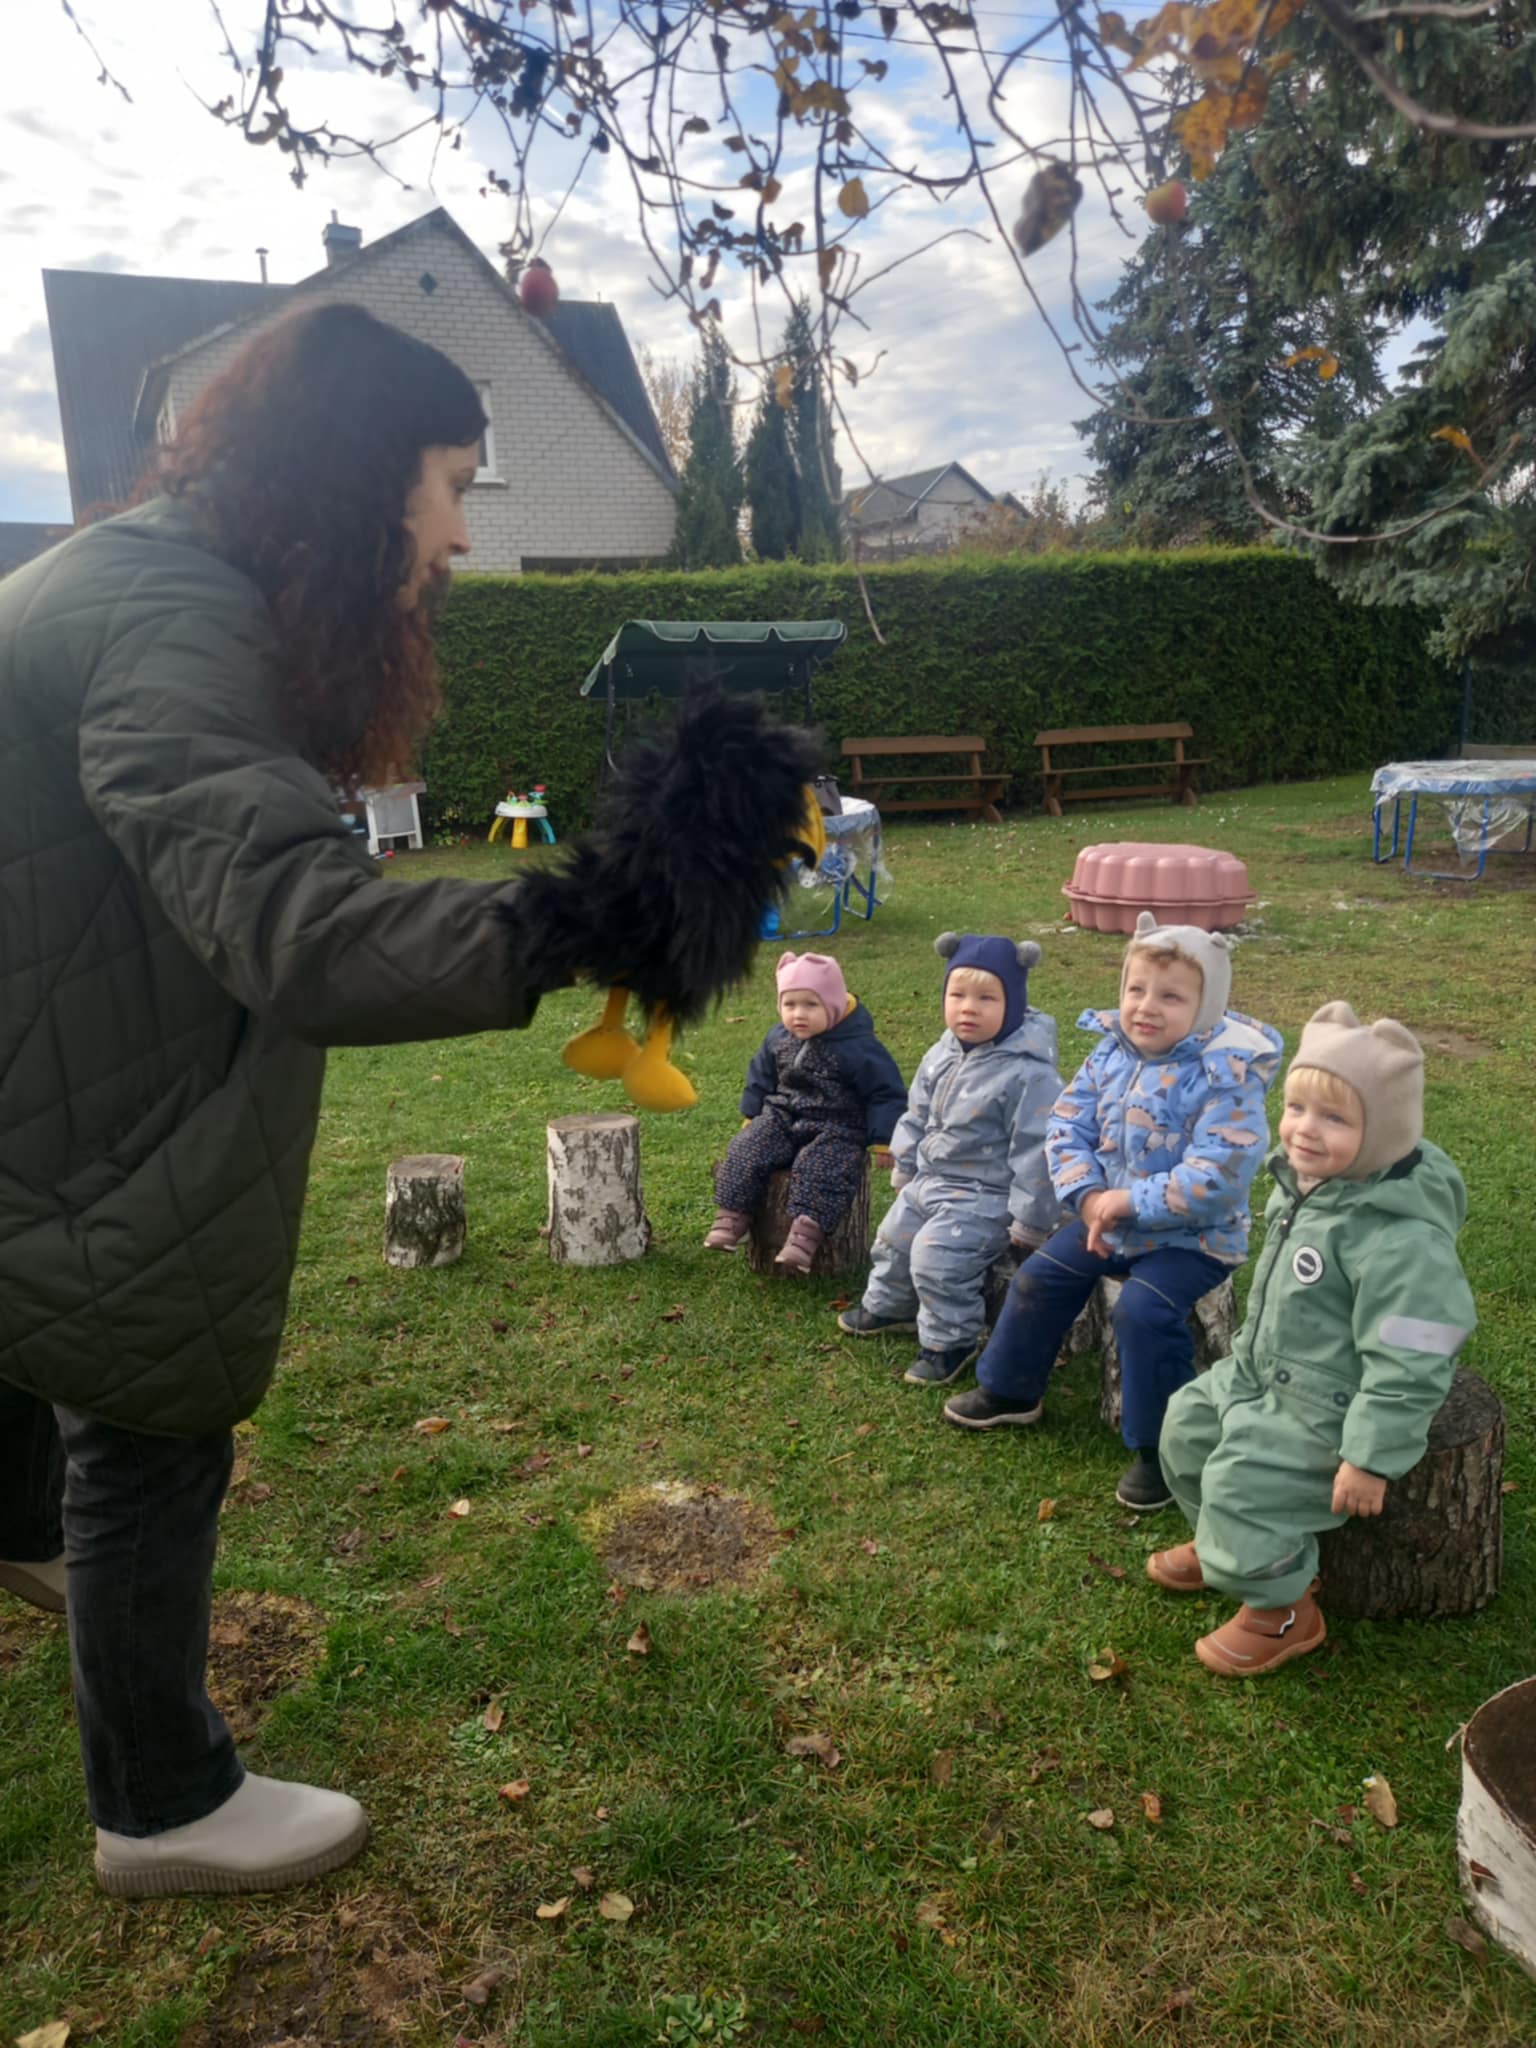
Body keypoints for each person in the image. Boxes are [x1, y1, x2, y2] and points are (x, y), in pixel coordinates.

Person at [0, 303, 817, 1900]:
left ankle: (18, 1527)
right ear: (352, 472)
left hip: (43, 1042)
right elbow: (300, 931)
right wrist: (582, 920)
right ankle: (159, 1806)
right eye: (445, 479)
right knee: (150, 1410)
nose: (457, 529)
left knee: (29, 1311)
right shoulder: (167, 612)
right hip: (75, 1083)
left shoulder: (134, 571)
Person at [1150, 1004, 1476, 1674]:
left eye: (1334, 1118)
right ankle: (1222, 1544)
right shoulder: (1310, 1186)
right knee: (1186, 1427)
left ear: (1382, 1132)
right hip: (1261, 1369)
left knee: (1246, 1481)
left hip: (1331, 1402)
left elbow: (1416, 1353)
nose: (1304, 1128)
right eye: (1296, 1107)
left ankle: (1282, 1609)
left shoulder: (1401, 1240)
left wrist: (1370, 1454)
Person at [943, 912, 1282, 1513]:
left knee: (1143, 1311)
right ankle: (1011, 1388)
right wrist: (1089, 1196)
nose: (1146, 1007)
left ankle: (1164, 1447)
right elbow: (1066, 1125)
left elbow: (1221, 1172)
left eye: (1171, 997)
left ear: (1207, 1007)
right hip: (1107, 1219)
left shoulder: (1226, 1075)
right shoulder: (1111, 1054)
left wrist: (1126, 1202)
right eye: (1136, 989)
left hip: (1193, 1239)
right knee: (1039, 1277)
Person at [839, 935, 1060, 1384]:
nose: (968, 1008)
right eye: (957, 995)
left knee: (937, 1258)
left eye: (986, 998)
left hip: (986, 1196)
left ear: (1013, 1003)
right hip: (931, 1180)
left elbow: (1038, 1150)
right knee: (893, 1238)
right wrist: (905, 1163)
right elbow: (915, 1113)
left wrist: (1031, 1221)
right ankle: (892, 1305)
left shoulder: (1030, 1074)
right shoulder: (942, 1053)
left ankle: (952, 1340)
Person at [706, 952, 907, 1272]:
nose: (798, 1014)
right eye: (789, 1004)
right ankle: (732, 1216)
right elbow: (761, 1076)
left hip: (837, 1122)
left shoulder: (858, 1047)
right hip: (784, 1113)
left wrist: (885, 1138)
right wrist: (753, 1113)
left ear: (834, 1005)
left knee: (823, 1165)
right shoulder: (778, 1037)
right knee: (748, 1147)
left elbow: (885, 1093)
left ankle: (804, 1235)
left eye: (811, 1005)